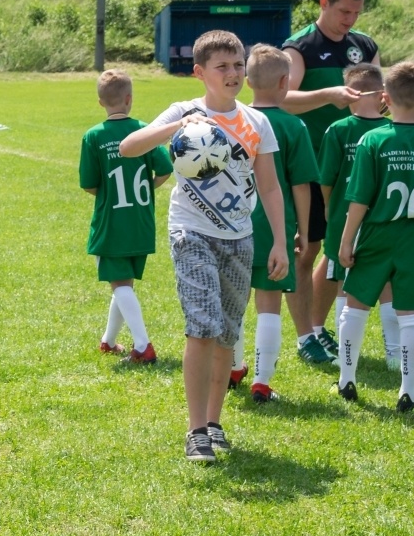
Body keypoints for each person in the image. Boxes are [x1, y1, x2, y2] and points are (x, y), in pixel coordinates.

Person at [117, 30, 288, 464]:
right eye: (222, 67)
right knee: (202, 326)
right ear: (200, 73)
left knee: (227, 335)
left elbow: (269, 187)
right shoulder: (184, 111)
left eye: (237, 65)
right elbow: (128, 145)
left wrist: (282, 243)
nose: (232, 74)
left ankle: (214, 423)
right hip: (190, 233)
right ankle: (195, 431)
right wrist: (179, 126)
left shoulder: (256, 122)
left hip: (240, 238)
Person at [334, 61, 414, 411]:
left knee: (355, 306)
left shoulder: (373, 139)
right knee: (412, 313)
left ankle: (346, 380)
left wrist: (347, 240)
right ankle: (408, 391)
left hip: (376, 233)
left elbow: (359, 197)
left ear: (385, 98)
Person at [283, 0, 380, 363]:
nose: (350, 20)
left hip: (355, 167)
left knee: (337, 247)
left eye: (356, 12)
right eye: (343, 11)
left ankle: (319, 328)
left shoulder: (364, 46)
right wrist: (327, 95)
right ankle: (305, 336)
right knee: (306, 250)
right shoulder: (300, 46)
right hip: (309, 164)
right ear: (324, 3)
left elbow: (379, 91)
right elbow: (282, 98)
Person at [232, 45, 318, 403]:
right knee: (269, 302)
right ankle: (262, 383)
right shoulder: (294, 125)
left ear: (247, 80)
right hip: (273, 226)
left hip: (232, 222)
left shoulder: (234, 120)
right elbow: (300, 184)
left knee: (234, 302)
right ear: (285, 82)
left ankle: (234, 366)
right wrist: (302, 228)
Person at [78, 70, 172, 364]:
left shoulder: (94, 136)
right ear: (129, 99)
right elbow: (165, 168)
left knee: (119, 284)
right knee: (124, 284)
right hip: (141, 221)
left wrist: (108, 196)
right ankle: (108, 341)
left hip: (112, 222)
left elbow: (88, 183)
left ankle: (143, 346)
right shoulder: (144, 130)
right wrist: (147, 190)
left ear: (99, 102)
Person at [317, 65, 392, 367]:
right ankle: (394, 355)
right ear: (382, 94)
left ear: (350, 94)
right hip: (383, 220)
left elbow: (326, 179)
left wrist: (328, 207)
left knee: (341, 282)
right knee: (389, 283)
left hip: (343, 218)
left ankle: (343, 354)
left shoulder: (338, 130)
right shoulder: (391, 131)